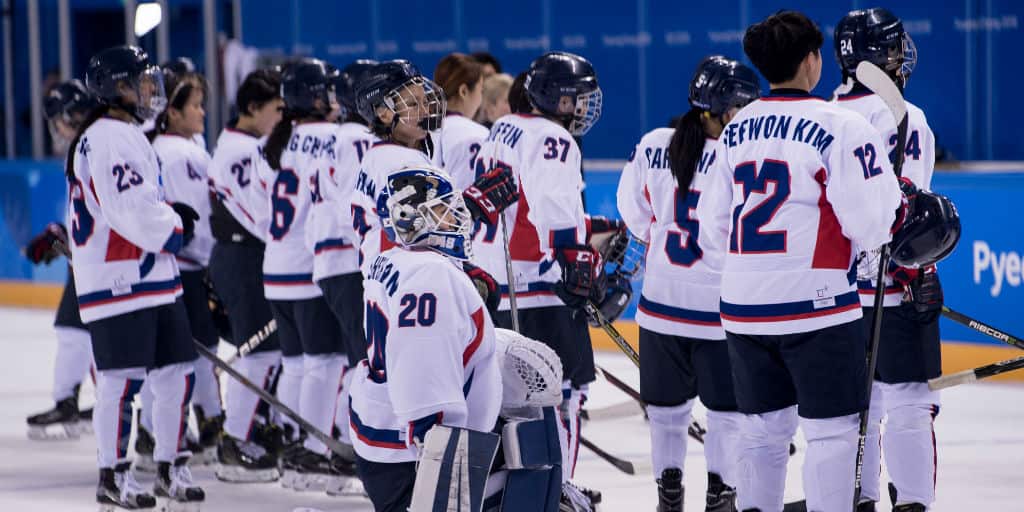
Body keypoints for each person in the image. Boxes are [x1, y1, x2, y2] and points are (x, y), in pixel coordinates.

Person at [693, 12, 906, 511]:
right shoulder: (842, 124)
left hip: (743, 308)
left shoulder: (736, 130)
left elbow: (713, 230)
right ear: (813, 62)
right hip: (819, 306)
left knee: (762, 434)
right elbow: (871, 226)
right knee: (832, 435)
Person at [473, 51, 616, 510]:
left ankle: (523, 489)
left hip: (500, 283)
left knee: (510, 401)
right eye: (577, 97)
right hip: (542, 286)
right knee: (564, 393)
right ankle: (558, 489)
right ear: (555, 96)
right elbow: (552, 203)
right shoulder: (553, 138)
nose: (582, 108)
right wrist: (576, 259)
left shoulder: (503, 127)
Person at [618, 55, 760, 512]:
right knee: (726, 414)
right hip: (720, 309)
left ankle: (669, 493)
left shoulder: (655, 143)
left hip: (661, 303)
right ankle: (721, 494)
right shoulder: (741, 154)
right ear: (724, 109)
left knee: (665, 414)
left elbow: (635, 215)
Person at [68, 45, 204, 509]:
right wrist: (174, 226)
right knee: (122, 381)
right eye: (141, 82)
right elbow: (129, 210)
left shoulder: (124, 132)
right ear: (116, 88)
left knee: (175, 372)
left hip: (149, 276)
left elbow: (138, 202)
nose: (152, 90)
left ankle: (170, 464)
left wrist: (168, 216)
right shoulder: (109, 136)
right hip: (118, 279)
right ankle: (113, 475)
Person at [833, 8, 940, 512]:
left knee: (856, 411)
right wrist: (918, 271)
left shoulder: (821, 115)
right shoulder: (906, 117)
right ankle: (912, 503)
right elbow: (910, 213)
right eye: (894, 48)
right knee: (911, 406)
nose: (902, 57)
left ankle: (863, 500)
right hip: (892, 288)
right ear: (881, 57)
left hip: (831, 297)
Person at [348, 165, 501, 512]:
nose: (456, 219)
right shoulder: (432, 276)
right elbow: (421, 362)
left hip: (380, 431)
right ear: (415, 221)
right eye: (443, 212)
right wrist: (433, 445)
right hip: (409, 449)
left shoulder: (388, 258)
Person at [252, 57, 350, 490]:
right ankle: (313, 454)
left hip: (274, 267)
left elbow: (259, 213)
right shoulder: (333, 137)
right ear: (315, 97)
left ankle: (294, 455)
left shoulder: (271, 143)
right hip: (311, 271)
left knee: (297, 366)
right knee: (327, 366)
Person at [349, 59, 516, 281]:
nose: (425, 110)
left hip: (389, 278)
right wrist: (474, 203)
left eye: (425, 100)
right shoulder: (398, 161)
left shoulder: (378, 156)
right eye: (412, 104)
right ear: (384, 114)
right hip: (410, 281)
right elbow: (421, 228)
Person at [207, 67, 286, 483]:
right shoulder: (239, 152)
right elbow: (262, 217)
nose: (281, 117)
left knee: (266, 353)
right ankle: (234, 441)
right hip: (243, 259)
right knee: (259, 355)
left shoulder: (244, 145)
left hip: (246, 257)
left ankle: (251, 431)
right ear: (253, 108)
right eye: (277, 109)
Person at [148, 67, 224, 464]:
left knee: (162, 356)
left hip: (162, 268)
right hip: (189, 268)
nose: (202, 113)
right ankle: (210, 423)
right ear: (172, 113)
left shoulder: (153, 148)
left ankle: (150, 433)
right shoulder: (187, 154)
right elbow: (203, 219)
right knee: (200, 351)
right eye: (195, 105)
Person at [24, 79, 100, 441]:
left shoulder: (93, 147)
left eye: (58, 122)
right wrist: (61, 234)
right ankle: (72, 399)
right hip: (92, 260)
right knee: (72, 325)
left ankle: (114, 403)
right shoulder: (85, 148)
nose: (56, 131)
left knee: (91, 329)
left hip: (106, 264)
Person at [313, 59, 377, 482]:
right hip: (347, 262)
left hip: (332, 261)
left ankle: (344, 444)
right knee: (363, 358)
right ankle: (349, 448)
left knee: (355, 358)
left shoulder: (339, 135)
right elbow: (357, 206)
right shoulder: (355, 138)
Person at [430, 52, 489, 189]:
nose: (481, 98)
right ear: (464, 91)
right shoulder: (476, 134)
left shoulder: (415, 132)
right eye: (481, 90)